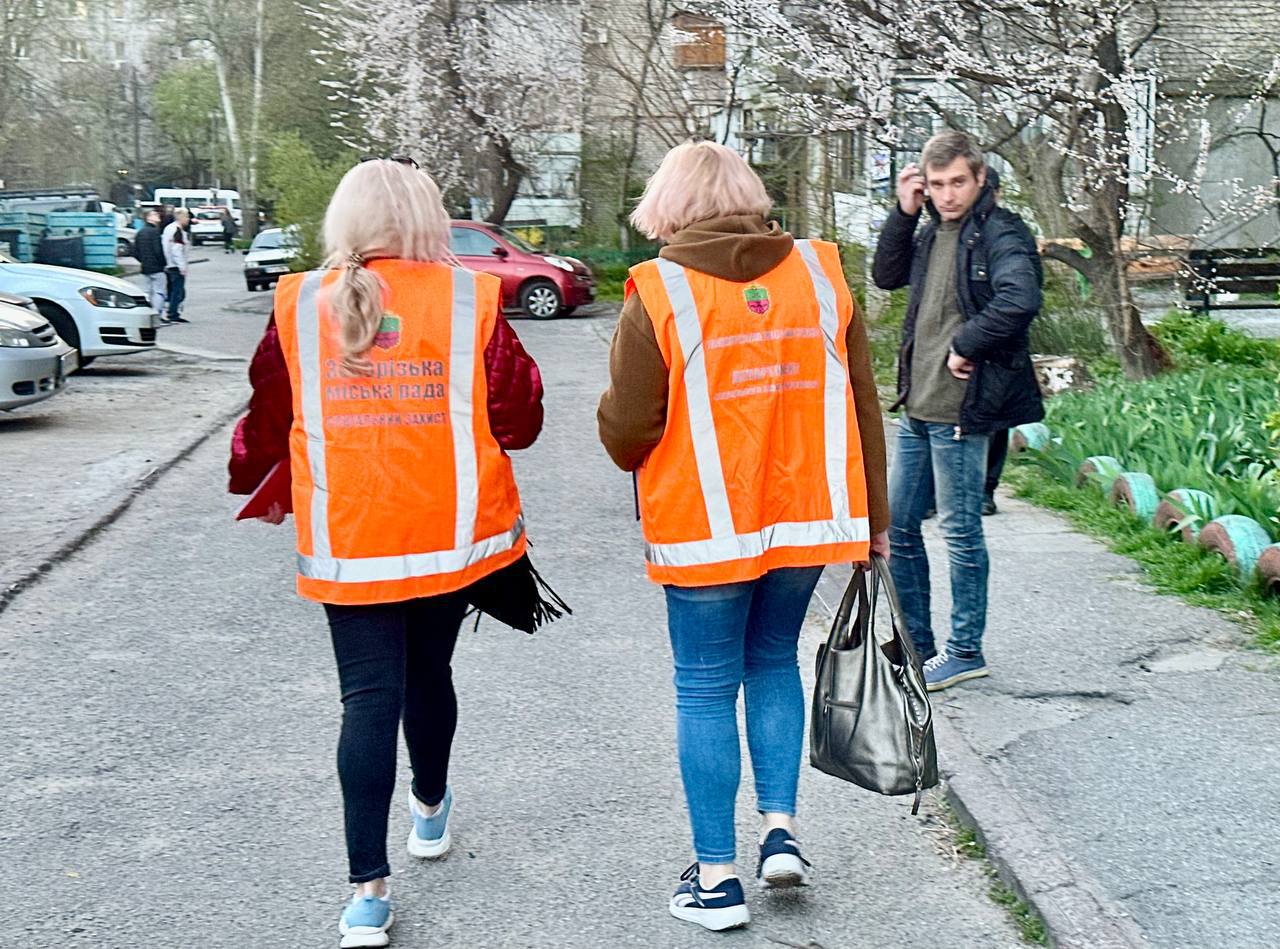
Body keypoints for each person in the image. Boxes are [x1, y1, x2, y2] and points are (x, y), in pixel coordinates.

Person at [227, 158, 546, 949]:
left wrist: (251, 473)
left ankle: (367, 892)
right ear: (427, 221)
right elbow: (521, 416)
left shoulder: (300, 302)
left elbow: (266, 416)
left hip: (352, 538)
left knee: (366, 698)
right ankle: (430, 808)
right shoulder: (470, 296)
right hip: (448, 533)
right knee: (429, 673)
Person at [598, 141, 889, 933]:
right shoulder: (821, 274)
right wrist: (877, 522)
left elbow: (627, 430)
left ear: (668, 205)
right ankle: (781, 831)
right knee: (772, 663)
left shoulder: (659, 288)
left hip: (704, 528)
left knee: (703, 685)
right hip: (805, 519)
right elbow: (864, 403)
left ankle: (718, 878)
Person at [872, 130, 1044, 692]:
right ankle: (918, 648)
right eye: (937, 184)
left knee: (962, 533)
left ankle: (965, 650)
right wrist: (904, 210)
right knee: (898, 528)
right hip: (917, 406)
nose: (947, 195)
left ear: (980, 178)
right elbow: (885, 275)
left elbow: (1020, 298)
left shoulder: (1001, 231)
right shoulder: (929, 231)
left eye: (957, 183)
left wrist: (968, 343)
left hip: (960, 411)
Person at [134, 209, 167, 315]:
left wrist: (142, 259)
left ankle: (146, 312)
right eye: (154, 214)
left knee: (147, 291)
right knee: (159, 291)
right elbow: (158, 250)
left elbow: (135, 251)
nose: (158, 215)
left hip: (145, 267)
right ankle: (157, 313)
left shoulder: (140, 232)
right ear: (148, 218)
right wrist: (163, 263)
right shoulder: (155, 232)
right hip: (157, 267)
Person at [161, 208, 190, 324]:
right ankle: (173, 313)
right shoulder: (177, 230)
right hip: (175, 266)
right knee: (177, 291)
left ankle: (171, 312)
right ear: (180, 217)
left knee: (173, 290)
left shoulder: (169, 229)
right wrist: (182, 267)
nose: (188, 219)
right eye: (186, 217)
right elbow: (177, 250)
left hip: (169, 264)